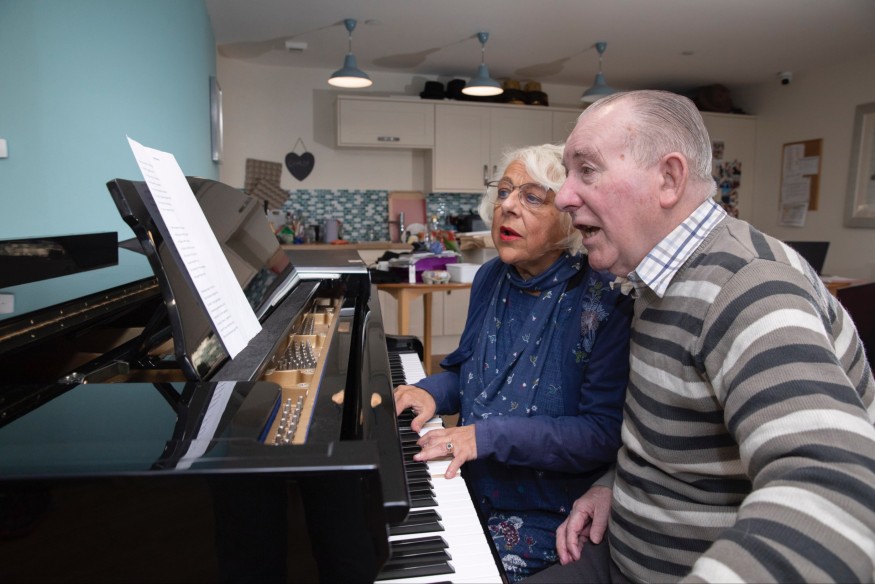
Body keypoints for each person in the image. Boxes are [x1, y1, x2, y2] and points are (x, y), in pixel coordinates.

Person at [526, 90, 875, 583]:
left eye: (587, 169)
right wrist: (612, 485)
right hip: (620, 552)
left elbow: (840, 491)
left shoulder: (748, 287)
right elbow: (677, 441)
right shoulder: (653, 278)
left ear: (668, 179)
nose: (562, 196)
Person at [393, 143, 633, 581]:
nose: (507, 206)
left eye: (531, 197)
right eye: (503, 192)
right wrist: (428, 391)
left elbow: (601, 434)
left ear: (569, 214)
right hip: (472, 484)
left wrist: (483, 437)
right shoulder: (490, 277)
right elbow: (464, 369)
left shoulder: (604, 299)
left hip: (552, 510)